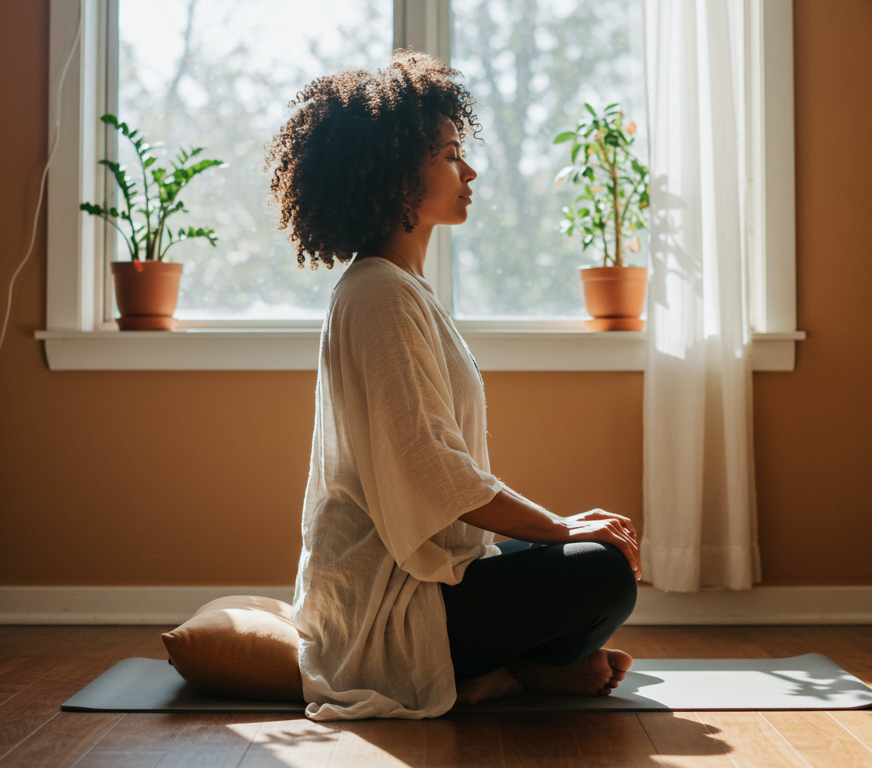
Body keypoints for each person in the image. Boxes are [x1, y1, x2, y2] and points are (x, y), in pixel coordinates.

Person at [267, 50, 640, 722]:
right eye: (447, 155)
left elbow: (442, 476)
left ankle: (515, 672)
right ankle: (520, 677)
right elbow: (436, 471)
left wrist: (558, 532)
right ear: (393, 174)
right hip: (389, 602)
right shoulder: (379, 293)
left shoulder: (398, 288)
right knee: (599, 569)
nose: (468, 171)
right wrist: (558, 527)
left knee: (596, 548)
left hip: (433, 573)